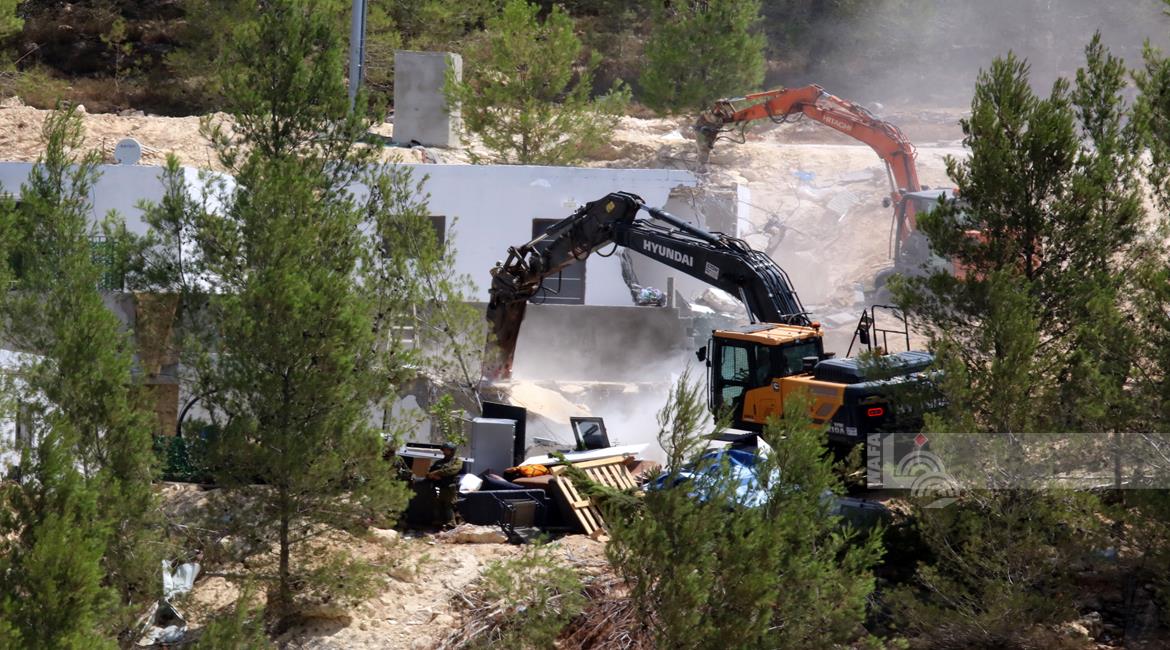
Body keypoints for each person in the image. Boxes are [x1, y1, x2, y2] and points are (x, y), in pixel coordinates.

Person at [426, 442, 463, 528]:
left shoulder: (457, 461)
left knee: (449, 505)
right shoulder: (438, 462)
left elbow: (452, 470)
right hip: (438, 486)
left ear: (452, 451)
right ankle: (438, 523)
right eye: (444, 450)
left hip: (449, 487)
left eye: (447, 450)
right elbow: (428, 473)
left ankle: (451, 524)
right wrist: (432, 476)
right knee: (437, 505)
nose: (445, 452)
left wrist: (438, 473)